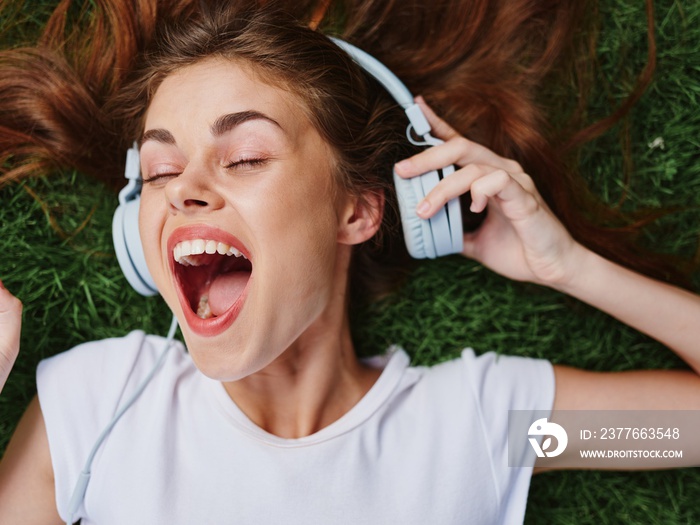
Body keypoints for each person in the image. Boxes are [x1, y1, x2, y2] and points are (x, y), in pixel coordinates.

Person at [0, 1, 698, 524]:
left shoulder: (477, 428)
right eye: (159, 170)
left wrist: (568, 266)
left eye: (243, 157)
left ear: (357, 212)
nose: (183, 187)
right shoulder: (95, 407)